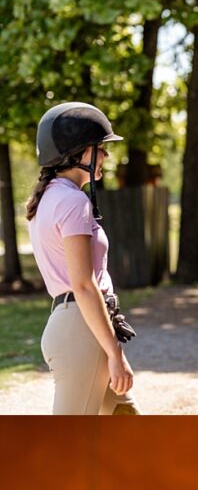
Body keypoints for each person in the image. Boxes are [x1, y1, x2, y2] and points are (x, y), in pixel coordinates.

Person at [26, 103, 136, 417]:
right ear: (81, 153)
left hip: (74, 325)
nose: (106, 156)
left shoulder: (48, 198)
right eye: (101, 148)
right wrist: (114, 353)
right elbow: (84, 285)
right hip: (81, 331)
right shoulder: (74, 201)